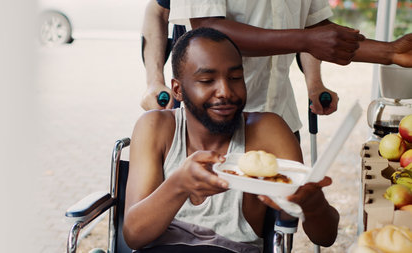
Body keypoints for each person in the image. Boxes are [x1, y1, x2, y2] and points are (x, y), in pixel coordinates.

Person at [123, 27, 339, 252]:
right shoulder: (156, 127)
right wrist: (179, 184)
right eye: (207, 80)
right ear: (177, 89)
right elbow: (134, 236)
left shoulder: (268, 132)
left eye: (235, 78)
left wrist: (314, 207)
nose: (225, 91)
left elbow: (326, 237)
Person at [168, 0, 412, 138]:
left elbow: (319, 31)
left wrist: (390, 52)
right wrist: (306, 40)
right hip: (215, 122)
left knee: (283, 223)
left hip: (280, 119)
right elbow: (209, 29)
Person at [140, 0, 339, 120]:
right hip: (210, 113)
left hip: (280, 112)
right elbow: (159, 10)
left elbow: (312, 28)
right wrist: (154, 81)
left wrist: (314, 83)